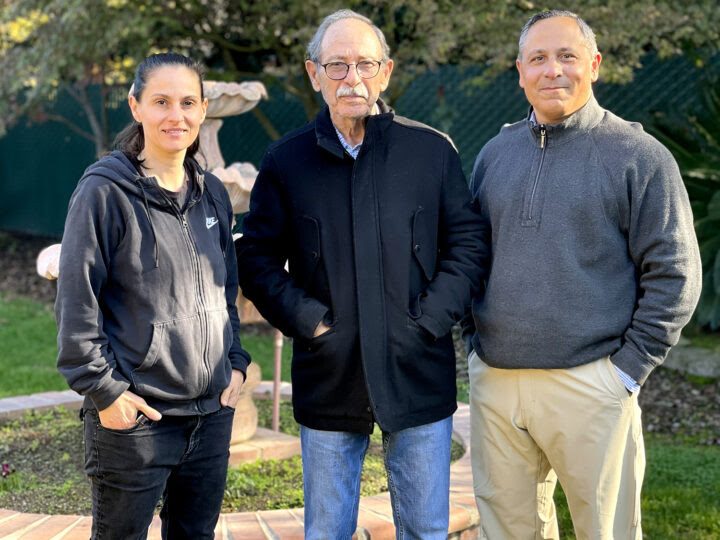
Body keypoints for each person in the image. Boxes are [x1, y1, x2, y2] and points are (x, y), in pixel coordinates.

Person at [235, 9, 488, 539]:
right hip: (329, 372)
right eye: (337, 65)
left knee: (425, 531)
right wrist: (312, 323)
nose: (353, 78)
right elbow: (255, 258)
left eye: (365, 64)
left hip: (417, 367)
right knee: (326, 532)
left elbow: (467, 244)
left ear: (386, 71)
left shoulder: (431, 151)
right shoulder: (287, 161)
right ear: (313, 74)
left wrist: (429, 321)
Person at [462, 9, 702, 539]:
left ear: (593, 65)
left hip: (593, 382)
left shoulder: (639, 156)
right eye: (538, 58)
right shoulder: (494, 154)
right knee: (506, 531)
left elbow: (676, 273)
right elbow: (471, 257)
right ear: (519, 70)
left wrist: (625, 372)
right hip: (498, 383)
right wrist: (474, 345)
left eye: (567, 56)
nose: (553, 70)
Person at [55, 52, 251, 539]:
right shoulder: (104, 193)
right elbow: (76, 305)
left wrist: (236, 362)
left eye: (187, 102)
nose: (175, 116)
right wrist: (105, 393)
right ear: (135, 106)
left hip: (209, 418)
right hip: (137, 421)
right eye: (161, 101)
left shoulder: (213, 194)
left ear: (204, 110)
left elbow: (224, 289)